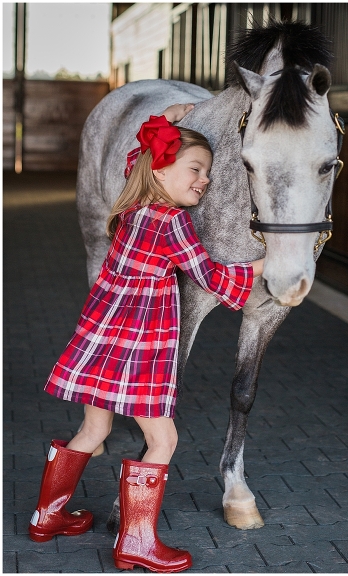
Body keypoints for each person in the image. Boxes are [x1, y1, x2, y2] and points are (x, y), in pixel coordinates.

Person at [29, 105, 263, 573]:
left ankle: (47, 516)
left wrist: (163, 119)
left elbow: (140, 155)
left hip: (100, 339)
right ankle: (136, 542)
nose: (205, 180)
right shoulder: (171, 222)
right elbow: (211, 277)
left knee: (94, 429)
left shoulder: (133, 207)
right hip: (139, 347)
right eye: (195, 169)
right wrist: (264, 265)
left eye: (209, 172)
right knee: (164, 440)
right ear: (161, 167)